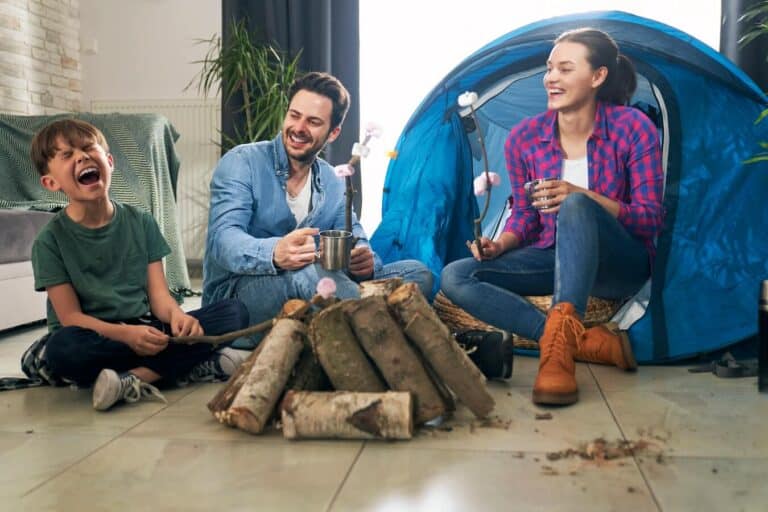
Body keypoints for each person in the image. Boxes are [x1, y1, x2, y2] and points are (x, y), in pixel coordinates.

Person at [441, 28, 664, 405]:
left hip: (618, 263)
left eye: (564, 68)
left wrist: (584, 196)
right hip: (553, 256)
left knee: (577, 207)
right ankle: (580, 342)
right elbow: (526, 219)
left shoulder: (632, 128)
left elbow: (648, 220)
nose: (551, 78)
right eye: (549, 69)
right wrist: (500, 245)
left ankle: (557, 359)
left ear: (597, 77)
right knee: (456, 276)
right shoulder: (525, 139)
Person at [29, 119, 250, 411]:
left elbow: (160, 300)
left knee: (235, 311)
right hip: (94, 336)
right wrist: (127, 336)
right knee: (61, 350)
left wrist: (176, 317)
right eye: (67, 155)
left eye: (87, 148)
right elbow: (71, 318)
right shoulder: (49, 241)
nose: (82, 156)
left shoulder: (141, 222)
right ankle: (186, 363)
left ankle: (134, 378)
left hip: (143, 326)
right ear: (51, 183)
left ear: (109, 162)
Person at [203, 71, 433, 346]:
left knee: (417, 274)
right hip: (239, 296)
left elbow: (354, 234)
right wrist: (275, 253)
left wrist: (365, 260)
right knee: (308, 273)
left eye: (313, 122)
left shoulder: (333, 180)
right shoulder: (243, 162)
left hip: (319, 285)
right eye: (294, 115)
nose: (298, 128)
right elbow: (223, 241)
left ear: (333, 132)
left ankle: (341, 327)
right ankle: (384, 337)